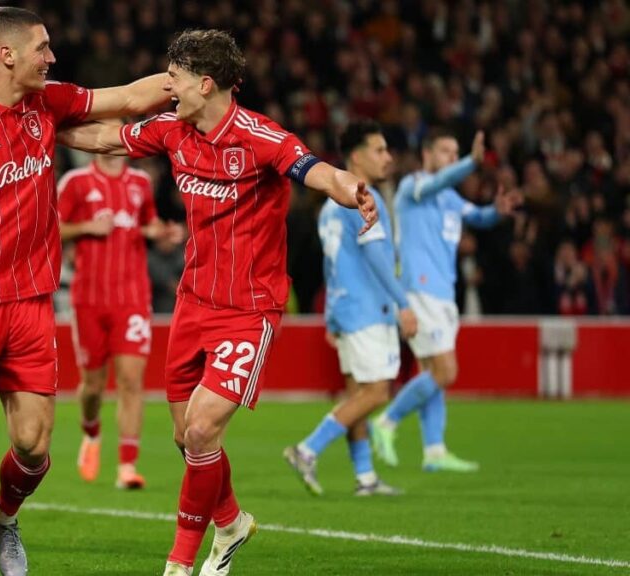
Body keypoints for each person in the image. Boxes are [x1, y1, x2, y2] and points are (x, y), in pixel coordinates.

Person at [58, 29, 377, 576]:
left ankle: (181, 563)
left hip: (249, 308)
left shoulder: (260, 137)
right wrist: (39, 126)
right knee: (185, 437)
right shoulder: (172, 130)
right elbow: (107, 139)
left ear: (205, 84)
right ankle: (230, 522)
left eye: (174, 77)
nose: (168, 87)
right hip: (193, 301)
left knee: (203, 429)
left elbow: (316, 170)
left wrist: (351, 188)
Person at [0, 7, 170, 576]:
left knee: (33, 444)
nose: (51, 57)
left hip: (30, 302)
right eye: (42, 48)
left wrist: (188, 80)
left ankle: (4, 519)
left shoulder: (45, 103)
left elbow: (125, 97)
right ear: (7, 55)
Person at [370, 128, 522, 472]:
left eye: (456, 153)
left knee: (432, 375)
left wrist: (496, 211)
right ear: (427, 154)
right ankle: (386, 422)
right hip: (420, 290)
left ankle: (435, 451)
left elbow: (477, 217)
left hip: (443, 292)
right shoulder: (413, 187)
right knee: (446, 371)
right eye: (446, 152)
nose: (452, 158)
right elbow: (438, 181)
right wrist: (471, 162)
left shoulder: (450, 198)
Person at [283, 120, 414, 497]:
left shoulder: (331, 204)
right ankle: (307, 450)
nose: (387, 157)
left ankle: (365, 477)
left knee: (358, 395)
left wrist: (331, 316)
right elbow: (376, 257)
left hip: (345, 309)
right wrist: (404, 304)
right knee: (376, 393)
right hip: (367, 309)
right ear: (356, 157)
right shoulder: (363, 197)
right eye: (379, 150)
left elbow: (332, 264)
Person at [57, 153, 183, 489]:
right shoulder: (76, 182)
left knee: (131, 381)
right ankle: (91, 431)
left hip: (132, 298)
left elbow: (148, 223)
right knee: (92, 386)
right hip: (89, 299)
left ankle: (127, 466)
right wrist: (87, 227)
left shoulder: (141, 182)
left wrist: (162, 233)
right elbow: (50, 227)